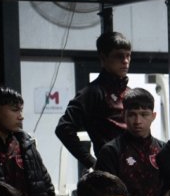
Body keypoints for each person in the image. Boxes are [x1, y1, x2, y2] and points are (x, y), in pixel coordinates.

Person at [95, 88, 166, 196]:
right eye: (132, 114)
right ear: (123, 116)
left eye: (144, 114)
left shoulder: (164, 151)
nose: (138, 121)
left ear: (153, 116)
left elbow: (168, 193)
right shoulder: (111, 151)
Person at [56, 31, 132, 168]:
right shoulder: (92, 93)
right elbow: (63, 128)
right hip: (113, 169)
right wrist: (91, 161)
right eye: (119, 56)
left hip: (136, 167)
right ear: (103, 58)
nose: (125, 61)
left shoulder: (129, 93)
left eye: (128, 55)